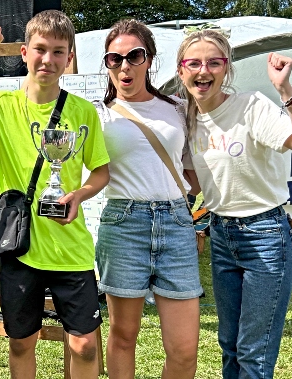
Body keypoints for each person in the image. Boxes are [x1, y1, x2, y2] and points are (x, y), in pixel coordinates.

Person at [0, 10, 111, 378]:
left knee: (86, 345)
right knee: (20, 342)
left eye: (58, 51)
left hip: (71, 251)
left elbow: (102, 171)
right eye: (41, 49)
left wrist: (79, 195)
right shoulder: (0, 106)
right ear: (25, 52)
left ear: (69, 57)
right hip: (21, 248)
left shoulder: (83, 112)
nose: (48, 59)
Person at [175, 29, 292, 379]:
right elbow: (193, 182)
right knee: (229, 345)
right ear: (182, 70)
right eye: (194, 63)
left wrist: (285, 91)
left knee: (253, 353)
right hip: (222, 235)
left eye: (214, 62)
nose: (204, 70)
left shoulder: (251, 105)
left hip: (265, 235)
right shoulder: (188, 119)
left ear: (226, 69)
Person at [93, 19, 202, 379]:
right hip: (124, 223)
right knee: (124, 336)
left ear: (149, 60)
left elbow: (193, 171)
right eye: (114, 58)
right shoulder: (97, 114)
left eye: (134, 55)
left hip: (176, 224)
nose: (124, 66)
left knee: (184, 350)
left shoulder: (178, 108)